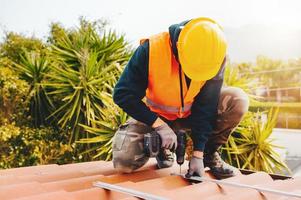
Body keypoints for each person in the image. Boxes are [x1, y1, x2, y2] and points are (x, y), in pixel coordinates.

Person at [112, 17, 249, 179]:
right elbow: (122, 94)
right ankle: (162, 147)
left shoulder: (214, 55)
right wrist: (160, 126)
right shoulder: (151, 50)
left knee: (238, 99)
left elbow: (207, 107)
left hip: (191, 116)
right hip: (156, 117)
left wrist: (198, 153)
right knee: (123, 162)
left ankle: (208, 155)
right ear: (178, 48)